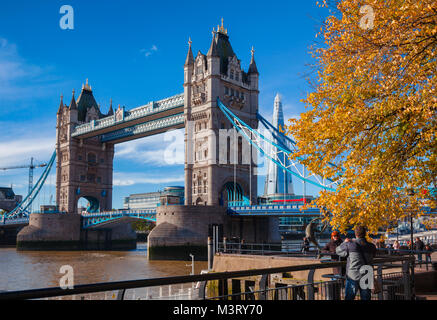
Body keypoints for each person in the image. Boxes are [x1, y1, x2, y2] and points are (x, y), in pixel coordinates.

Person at [336, 225, 377, 300]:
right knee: (366, 298)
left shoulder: (350, 245)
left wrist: (344, 243)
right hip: (367, 275)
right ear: (365, 234)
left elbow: (338, 251)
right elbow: (373, 256)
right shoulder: (371, 246)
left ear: (355, 234)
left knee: (349, 297)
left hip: (353, 276)